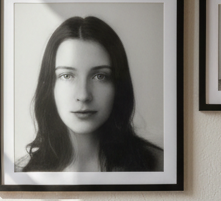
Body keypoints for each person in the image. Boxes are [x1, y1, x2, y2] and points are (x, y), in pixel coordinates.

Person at [16, 15, 163, 172]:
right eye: (67, 76)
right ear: (49, 86)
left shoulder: (160, 166)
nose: (84, 95)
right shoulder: (23, 172)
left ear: (118, 86)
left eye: (100, 76)